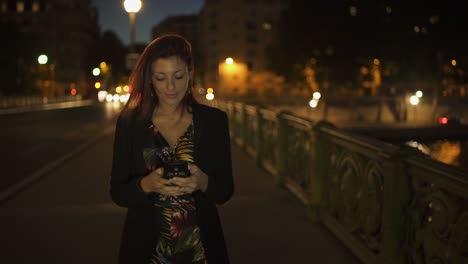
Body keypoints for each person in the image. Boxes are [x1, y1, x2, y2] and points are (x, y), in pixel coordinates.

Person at [110, 34, 234, 264]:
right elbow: (117, 192)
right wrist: (146, 185)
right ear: (150, 80)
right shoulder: (130, 124)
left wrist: (203, 182)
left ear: (189, 74)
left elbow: (225, 190)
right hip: (146, 250)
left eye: (178, 76)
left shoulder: (214, 121)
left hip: (201, 251)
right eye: (160, 78)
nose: (170, 87)